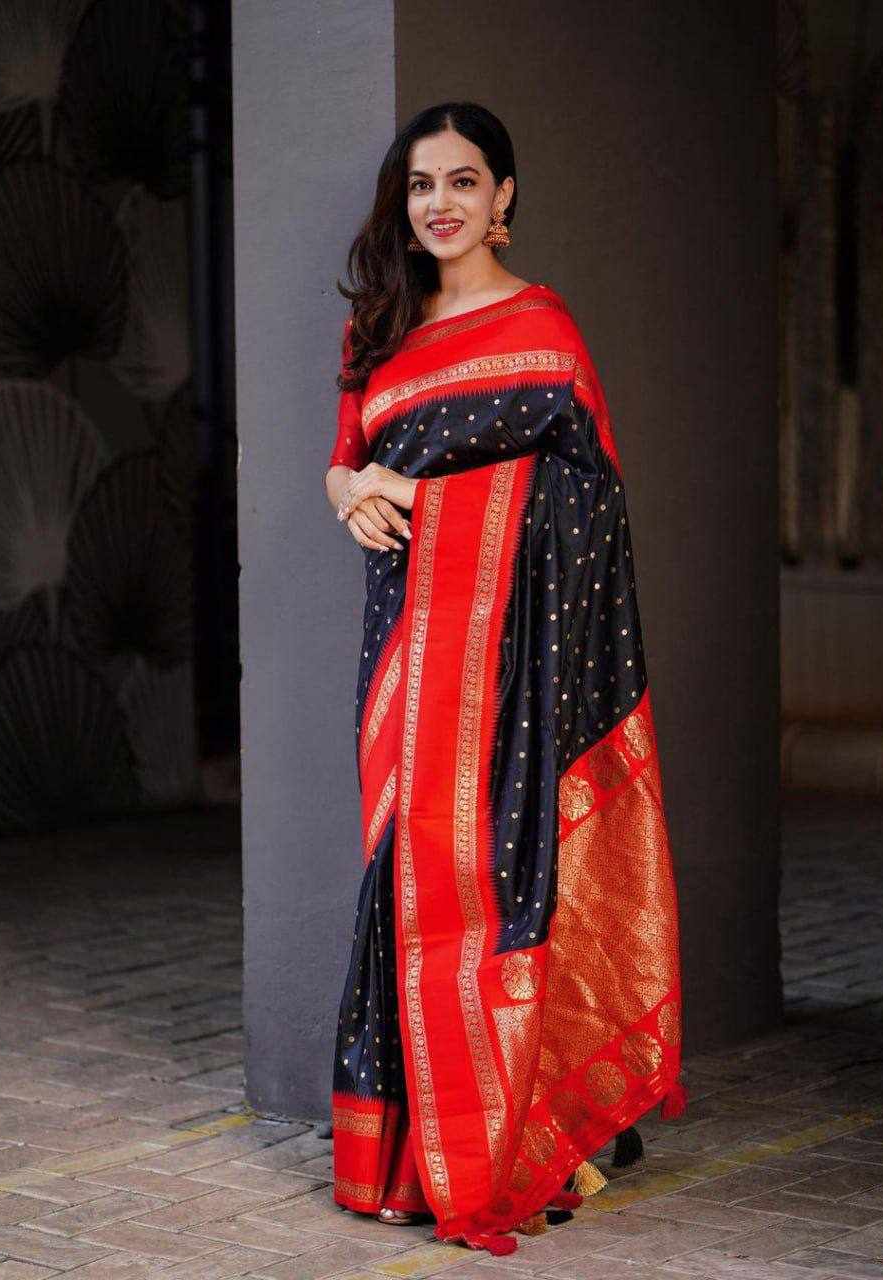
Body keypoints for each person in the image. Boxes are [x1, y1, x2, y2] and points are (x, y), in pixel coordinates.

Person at [322, 100, 687, 1258]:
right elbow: (345, 460)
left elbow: (590, 505)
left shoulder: (542, 327)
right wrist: (349, 490)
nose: (440, 203)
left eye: (464, 181)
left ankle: (522, 1124)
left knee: (504, 868)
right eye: (422, 184)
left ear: (505, 199)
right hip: (404, 649)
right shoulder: (379, 329)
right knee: (406, 871)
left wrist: (424, 497)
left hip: (517, 667)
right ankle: (406, 1148)